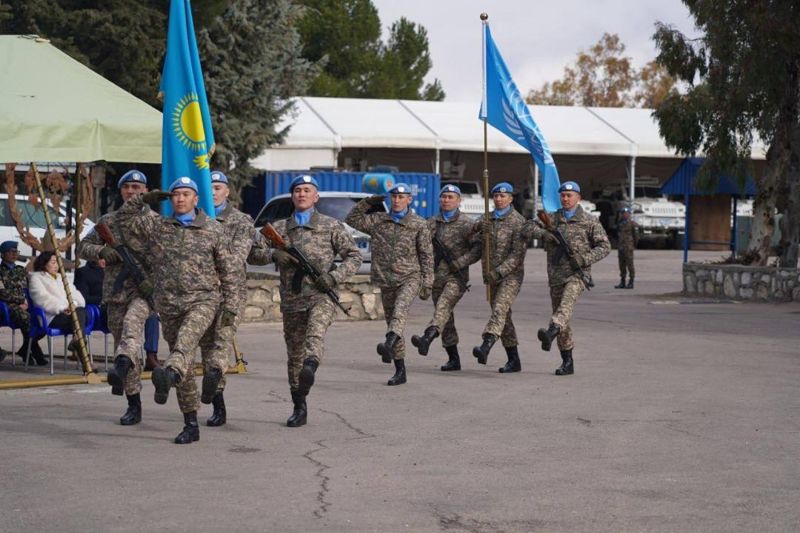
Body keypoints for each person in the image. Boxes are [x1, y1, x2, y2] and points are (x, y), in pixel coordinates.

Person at [116, 177, 237, 444]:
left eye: (186, 194)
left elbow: (230, 273)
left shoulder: (213, 229)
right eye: (176, 195)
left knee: (184, 345)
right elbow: (123, 220)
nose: (180, 199)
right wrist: (144, 199)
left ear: (196, 199)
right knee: (183, 365)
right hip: (169, 305)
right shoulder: (158, 227)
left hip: (203, 301)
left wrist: (230, 308)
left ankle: (169, 374)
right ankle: (190, 422)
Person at [264, 174, 361, 427]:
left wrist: (333, 277)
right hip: (292, 299)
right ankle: (299, 405)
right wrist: (275, 255)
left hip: (321, 296)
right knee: (293, 354)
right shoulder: (280, 228)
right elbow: (253, 253)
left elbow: (353, 256)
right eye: (297, 190)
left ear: (315, 196)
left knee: (315, 336)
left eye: (307, 190)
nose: (302, 194)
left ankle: (311, 366)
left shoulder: (331, 226)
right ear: (292, 196)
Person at [77, 169, 159, 426]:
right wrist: (102, 250)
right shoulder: (108, 220)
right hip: (116, 292)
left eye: (137, 187)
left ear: (145, 191)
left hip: (144, 291)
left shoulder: (155, 221)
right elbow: (83, 246)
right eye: (127, 187)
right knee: (123, 347)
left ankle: (124, 369)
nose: (132, 191)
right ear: (121, 191)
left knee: (131, 332)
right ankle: (133, 402)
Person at [198, 170, 271, 427]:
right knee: (207, 348)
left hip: (231, 295)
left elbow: (242, 257)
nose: (214, 192)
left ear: (227, 192)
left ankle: (215, 376)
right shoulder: (195, 219)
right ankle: (218, 405)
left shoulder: (241, 221)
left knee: (222, 341)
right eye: (209, 187)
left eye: (218, 187)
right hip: (203, 295)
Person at [346, 183, 433, 386]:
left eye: (401, 197)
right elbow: (352, 219)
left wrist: (428, 282)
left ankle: (389, 342)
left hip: (409, 277)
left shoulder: (419, 224)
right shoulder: (378, 220)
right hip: (385, 279)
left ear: (409, 200)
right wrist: (366, 203)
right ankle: (400, 369)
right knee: (393, 322)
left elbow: (427, 255)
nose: (397, 200)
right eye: (394, 197)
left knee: (399, 312)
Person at [524, 181, 610, 375]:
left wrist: (583, 258)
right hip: (555, 275)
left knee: (566, 304)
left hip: (577, 274)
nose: (565, 198)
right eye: (562, 195)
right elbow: (527, 228)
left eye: (570, 195)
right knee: (565, 318)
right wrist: (546, 234)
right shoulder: (553, 218)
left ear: (578, 197)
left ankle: (551, 330)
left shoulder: (589, 221)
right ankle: (567, 361)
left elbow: (605, 246)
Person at [410, 184, 481, 371]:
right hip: (436, 277)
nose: (446, 200)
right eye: (444, 197)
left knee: (444, 306)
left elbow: (478, 249)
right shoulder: (431, 223)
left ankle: (427, 336)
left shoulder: (467, 224)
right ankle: (453, 358)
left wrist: (460, 262)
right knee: (445, 317)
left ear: (459, 201)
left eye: (451, 197)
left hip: (456, 278)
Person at [470, 182, 528, 373]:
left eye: (503, 196)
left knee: (499, 309)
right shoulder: (488, 218)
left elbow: (517, 256)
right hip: (491, 277)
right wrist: (480, 226)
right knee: (504, 317)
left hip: (510, 276)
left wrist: (499, 272)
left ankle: (486, 344)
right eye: (495, 196)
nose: (499, 199)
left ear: (511, 199)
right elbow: (470, 235)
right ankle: (514, 359)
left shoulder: (518, 222)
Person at [28, 251, 87, 359]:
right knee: (79, 318)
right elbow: (42, 298)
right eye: (53, 262)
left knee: (82, 313)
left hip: (70, 314)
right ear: (44, 263)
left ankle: (77, 341)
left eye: (57, 263)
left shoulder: (61, 277)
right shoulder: (36, 278)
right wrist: (62, 308)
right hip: (52, 316)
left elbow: (75, 294)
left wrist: (73, 304)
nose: (57, 266)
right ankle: (81, 347)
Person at [0, 240, 47, 365]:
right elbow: (2, 293)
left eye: (16, 252)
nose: (14, 254)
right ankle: (36, 353)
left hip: (25, 304)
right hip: (7, 306)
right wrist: (21, 300)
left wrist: (28, 302)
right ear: (3, 254)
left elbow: (31, 288)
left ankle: (25, 349)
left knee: (42, 320)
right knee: (26, 318)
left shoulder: (21, 270)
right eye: (11, 252)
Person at [615, 206, 638, 289]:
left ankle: (631, 282)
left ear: (629, 214)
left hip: (628, 247)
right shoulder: (620, 223)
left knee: (630, 265)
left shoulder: (632, 224)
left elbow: (636, 236)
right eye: (623, 213)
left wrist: (633, 245)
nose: (624, 215)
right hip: (621, 247)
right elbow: (617, 234)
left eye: (626, 213)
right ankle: (622, 281)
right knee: (622, 265)